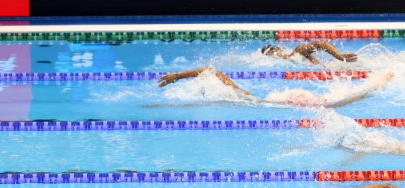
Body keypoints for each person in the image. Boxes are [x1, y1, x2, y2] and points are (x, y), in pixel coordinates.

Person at [157, 68, 392, 108]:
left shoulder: (240, 96)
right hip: (288, 100)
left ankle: (380, 82)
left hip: (288, 100)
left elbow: (214, 72)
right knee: (344, 98)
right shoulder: (241, 97)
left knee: (341, 100)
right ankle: (378, 82)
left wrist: (177, 76)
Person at [261, 42, 357, 65]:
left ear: (280, 49)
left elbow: (321, 44)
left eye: (274, 53)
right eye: (271, 55)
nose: (275, 55)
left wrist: (337, 55)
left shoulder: (296, 53)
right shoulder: (292, 58)